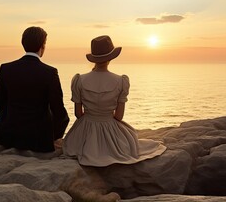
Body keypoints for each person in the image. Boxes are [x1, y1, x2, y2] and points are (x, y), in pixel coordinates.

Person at [63, 35, 166, 166]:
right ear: (111, 58)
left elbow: (78, 114)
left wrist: (93, 117)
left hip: (86, 128)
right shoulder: (120, 81)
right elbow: (119, 116)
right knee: (131, 141)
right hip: (110, 126)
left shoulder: (79, 80)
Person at [0, 26, 69, 153]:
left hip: (8, 135)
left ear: (23, 44)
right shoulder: (50, 72)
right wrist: (55, 136)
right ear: (42, 46)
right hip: (38, 139)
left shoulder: (6, 68)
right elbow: (59, 111)